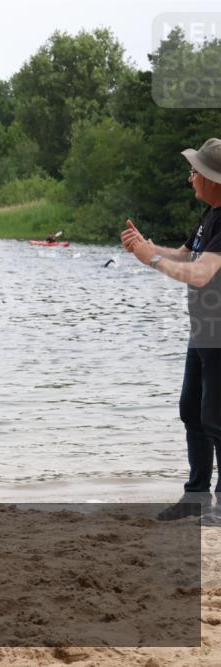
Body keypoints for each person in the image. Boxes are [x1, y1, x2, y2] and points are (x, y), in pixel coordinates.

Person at [121, 138, 221, 520]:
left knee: (216, 418)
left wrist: (152, 259)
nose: (190, 177)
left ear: (212, 178)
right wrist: (146, 248)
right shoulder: (211, 214)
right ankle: (196, 498)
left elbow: (200, 274)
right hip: (204, 331)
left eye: (195, 171)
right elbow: (185, 255)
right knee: (191, 410)